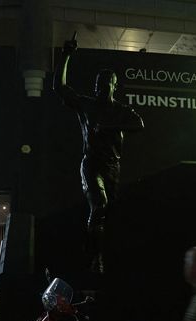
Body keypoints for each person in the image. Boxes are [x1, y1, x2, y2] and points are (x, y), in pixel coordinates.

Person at [53, 32, 144, 274]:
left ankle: (98, 254)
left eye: (107, 84)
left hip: (112, 166)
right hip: (91, 164)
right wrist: (66, 56)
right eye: (98, 84)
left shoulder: (122, 110)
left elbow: (139, 125)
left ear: (114, 86)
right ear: (95, 87)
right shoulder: (87, 105)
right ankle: (94, 258)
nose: (102, 88)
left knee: (107, 214)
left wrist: (109, 127)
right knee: (99, 204)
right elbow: (59, 88)